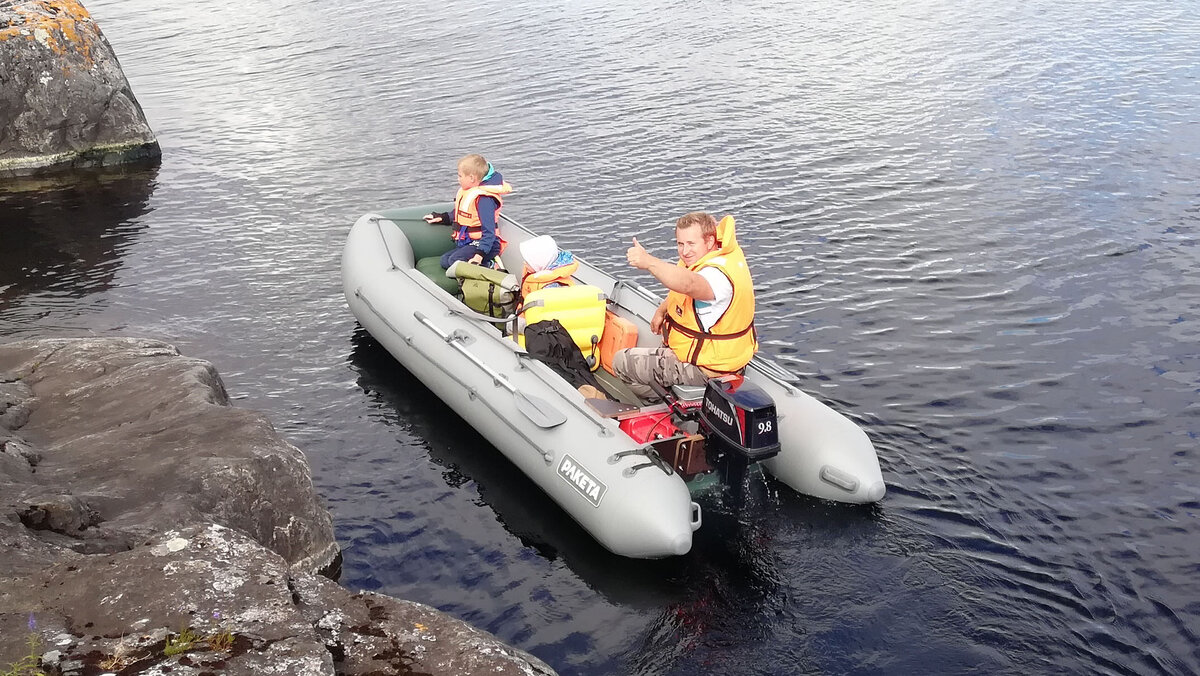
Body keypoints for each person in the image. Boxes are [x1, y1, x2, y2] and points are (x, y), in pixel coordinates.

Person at [613, 211, 757, 399]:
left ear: (710, 241)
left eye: (691, 244)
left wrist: (648, 262)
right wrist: (662, 310)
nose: (685, 251)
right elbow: (685, 292)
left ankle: (668, 405)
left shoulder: (717, 277)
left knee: (621, 362)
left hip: (708, 369)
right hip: (716, 356)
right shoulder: (715, 258)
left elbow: (689, 284)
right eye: (680, 244)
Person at [424, 154, 513, 269]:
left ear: (471, 178)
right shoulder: (469, 192)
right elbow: (462, 213)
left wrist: (479, 255)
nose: (458, 179)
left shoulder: (484, 200)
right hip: (469, 242)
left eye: (460, 176)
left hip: (485, 245)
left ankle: (490, 266)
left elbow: (489, 232)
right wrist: (443, 217)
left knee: (454, 260)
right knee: (445, 261)